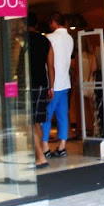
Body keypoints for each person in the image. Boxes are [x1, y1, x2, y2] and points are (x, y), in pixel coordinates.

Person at [42, 12, 74, 158]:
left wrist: (50, 86)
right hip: (65, 82)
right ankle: (62, 146)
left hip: (53, 83)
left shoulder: (49, 38)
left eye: (50, 22)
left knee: (46, 116)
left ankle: (45, 147)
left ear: (54, 22)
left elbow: (48, 63)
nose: (50, 25)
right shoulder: (70, 39)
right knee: (62, 116)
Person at [26, 13, 55, 168]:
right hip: (42, 84)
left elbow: (16, 64)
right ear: (36, 25)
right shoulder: (46, 41)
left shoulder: (22, 40)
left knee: (28, 122)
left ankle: (40, 157)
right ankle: (40, 153)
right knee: (37, 122)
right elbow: (50, 66)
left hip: (27, 85)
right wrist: (51, 87)